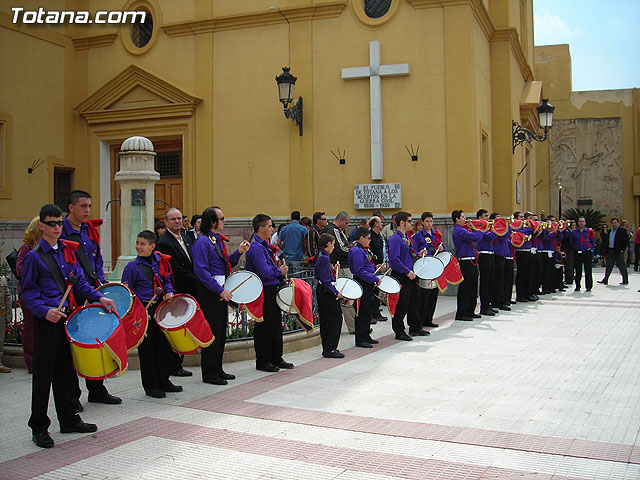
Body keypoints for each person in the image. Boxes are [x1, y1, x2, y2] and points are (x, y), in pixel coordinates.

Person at [21, 203, 116, 449]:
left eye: (59, 223)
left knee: (65, 372)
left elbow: (81, 284)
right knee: (43, 377)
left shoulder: (68, 252)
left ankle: (69, 419)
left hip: (67, 320)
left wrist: (99, 297)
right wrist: (45, 311)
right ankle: (39, 426)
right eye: (51, 223)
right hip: (48, 322)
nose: (55, 228)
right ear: (41, 226)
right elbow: (28, 293)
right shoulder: (34, 257)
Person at [61, 190, 121, 406]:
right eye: (83, 206)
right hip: (73, 294)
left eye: (89, 206)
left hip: (92, 290)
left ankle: (96, 389)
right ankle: (72, 396)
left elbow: (97, 258)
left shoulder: (89, 229)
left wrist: (101, 283)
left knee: (95, 338)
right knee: (74, 344)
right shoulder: (62, 232)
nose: (87, 210)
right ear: (71, 207)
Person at [192, 206, 250, 385]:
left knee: (220, 332)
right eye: (222, 218)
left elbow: (225, 264)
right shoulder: (203, 242)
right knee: (212, 332)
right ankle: (209, 373)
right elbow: (201, 271)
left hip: (220, 291)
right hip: (211, 292)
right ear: (213, 222)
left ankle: (217, 368)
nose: (224, 221)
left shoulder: (215, 240)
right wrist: (219, 290)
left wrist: (239, 252)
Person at [122, 231, 181, 398]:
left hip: (161, 310)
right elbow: (127, 293)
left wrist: (169, 292)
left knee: (164, 347)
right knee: (147, 351)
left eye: (142, 244)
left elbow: (167, 280)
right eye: (137, 243)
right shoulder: (132, 267)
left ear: (152, 246)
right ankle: (151, 385)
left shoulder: (160, 261)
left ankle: (164, 380)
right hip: (144, 312)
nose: (138, 247)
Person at [245, 214, 294, 372]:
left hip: (272, 287)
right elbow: (264, 271)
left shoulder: (263, 244)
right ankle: (263, 360)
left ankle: (276, 357)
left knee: (274, 326)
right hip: (264, 289)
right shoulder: (256, 247)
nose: (272, 229)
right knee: (265, 326)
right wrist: (279, 270)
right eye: (270, 226)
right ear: (261, 228)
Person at [156, 207, 198, 377]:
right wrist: (198, 280)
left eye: (179, 218)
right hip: (176, 290)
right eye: (173, 219)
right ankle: (173, 366)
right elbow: (175, 270)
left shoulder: (187, 238)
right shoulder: (165, 243)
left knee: (183, 327)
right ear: (165, 222)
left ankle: (178, 363)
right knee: (175, 328)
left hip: (189, 288)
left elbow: (191, 262)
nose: (177, 222)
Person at [388, 211, 424, 339]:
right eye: (410, 221)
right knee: (401, 304)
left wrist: (418, 254)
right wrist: (406, 271)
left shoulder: (406, 237)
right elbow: (394, 259)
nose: (412, 223)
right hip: (402, 274)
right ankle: (399, 331)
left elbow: (407, 254)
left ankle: (415, 327)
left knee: (414, 302)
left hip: (411, 273)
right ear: (402, 222)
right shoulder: (395, 238)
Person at [16, 216, 42, 373]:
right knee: (30, 328)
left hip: (43, 294)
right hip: (29, 294)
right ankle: (32, 362)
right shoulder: (27, 248)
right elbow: (20, 271)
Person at [348, 227, 382, 348]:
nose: (370, 241)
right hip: (362, 282)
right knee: (362, 311)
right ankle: (361, 338)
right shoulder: (357, 251)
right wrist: (374, 278)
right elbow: (359, 270)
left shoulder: (362, 249)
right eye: (368, 238)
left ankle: (366, 335)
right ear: (361, 238)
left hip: (366, 282)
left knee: (367, 311)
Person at [314, 233, 344, 358]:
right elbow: (325, 280)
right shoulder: (325, 258)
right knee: (335, 319)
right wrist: (337, 292)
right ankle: (331, 348)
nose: (334, 247)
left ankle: (327, 347)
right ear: (328, 244)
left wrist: (333, 268)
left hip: (322, 290)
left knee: (326, 320)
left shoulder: (321, 255)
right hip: (327, 292)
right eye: (333, 244)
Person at [326, 212, 356, 334]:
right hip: (341, 266)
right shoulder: (335, 231)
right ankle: (353, 327)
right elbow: (341, 249)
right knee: (348, 297)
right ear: (340, 220)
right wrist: (354, 249)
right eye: (346, 223)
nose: (347, 226)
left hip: (338, 266)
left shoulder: (331, 230)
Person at [451, 210, 483, 321]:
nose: (465, 219)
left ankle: (470, 311)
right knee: (465, 288)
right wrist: (479, 228)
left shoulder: (463, 229)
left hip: (471, 260)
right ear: (457, 219)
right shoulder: (459, 231)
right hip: (465, 261)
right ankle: (462, 312)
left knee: (473, 287)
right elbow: (477, 238)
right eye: (463, 217)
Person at [475, 209, 498, 316]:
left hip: (490, 253)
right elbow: (490, 236)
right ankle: (484, 306)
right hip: (484, 254)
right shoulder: (479, 227)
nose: (487, 218)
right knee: (485, 281)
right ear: (480, 218)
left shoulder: (488, 227)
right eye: (485, 216)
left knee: (491, 280)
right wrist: (494, 229)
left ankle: (488, 304)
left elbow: (494, 236)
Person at [489, 212, 512, 311]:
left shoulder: (502, 228)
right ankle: (497, 301)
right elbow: (502, 235)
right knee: (498, 280)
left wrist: (507, 225)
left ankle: (503, 299)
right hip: (497, 255)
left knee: (503, 279)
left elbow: (508, 234)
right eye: (498, 219)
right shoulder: (495, 229)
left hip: (503, 255)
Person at [598, 217, 629, 285]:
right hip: (610, 250)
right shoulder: (610, 231)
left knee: (621, 265)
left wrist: (622, 249)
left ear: (617, 223)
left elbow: (626, 241)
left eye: (615, 223)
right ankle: (605, 279)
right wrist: (604, 233)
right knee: (609, 265)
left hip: (618, 250)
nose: (614, 224)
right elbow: (605, 239)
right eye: (613, 223)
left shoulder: (622, 230)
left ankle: (625, 280)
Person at [368, 216, 386, 322]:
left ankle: (376, 312)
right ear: (375, 224)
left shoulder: (379, 236)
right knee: (371, 292)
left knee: (378, 291)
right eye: (380, 222)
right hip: (372, 268)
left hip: (379, 266)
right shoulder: (370, 236)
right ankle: (370, 314)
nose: (382, 223)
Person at [571, 216, 595, 292]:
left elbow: (593, 241)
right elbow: (571, 242)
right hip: (577, 253)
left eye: (582, 221)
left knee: (588, 270)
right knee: (578, 270)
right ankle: (578, 286)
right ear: (578, 222)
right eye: (580, 221)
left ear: (585, 223)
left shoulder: (589, 231)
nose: (581, 223)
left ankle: (588, 286)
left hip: (587, 252)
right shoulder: (574, 232)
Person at [0, 272, 11, 373]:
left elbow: (7, 298)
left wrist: (8, 316)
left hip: (1, 314)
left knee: (1, 339)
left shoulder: (3, 279)